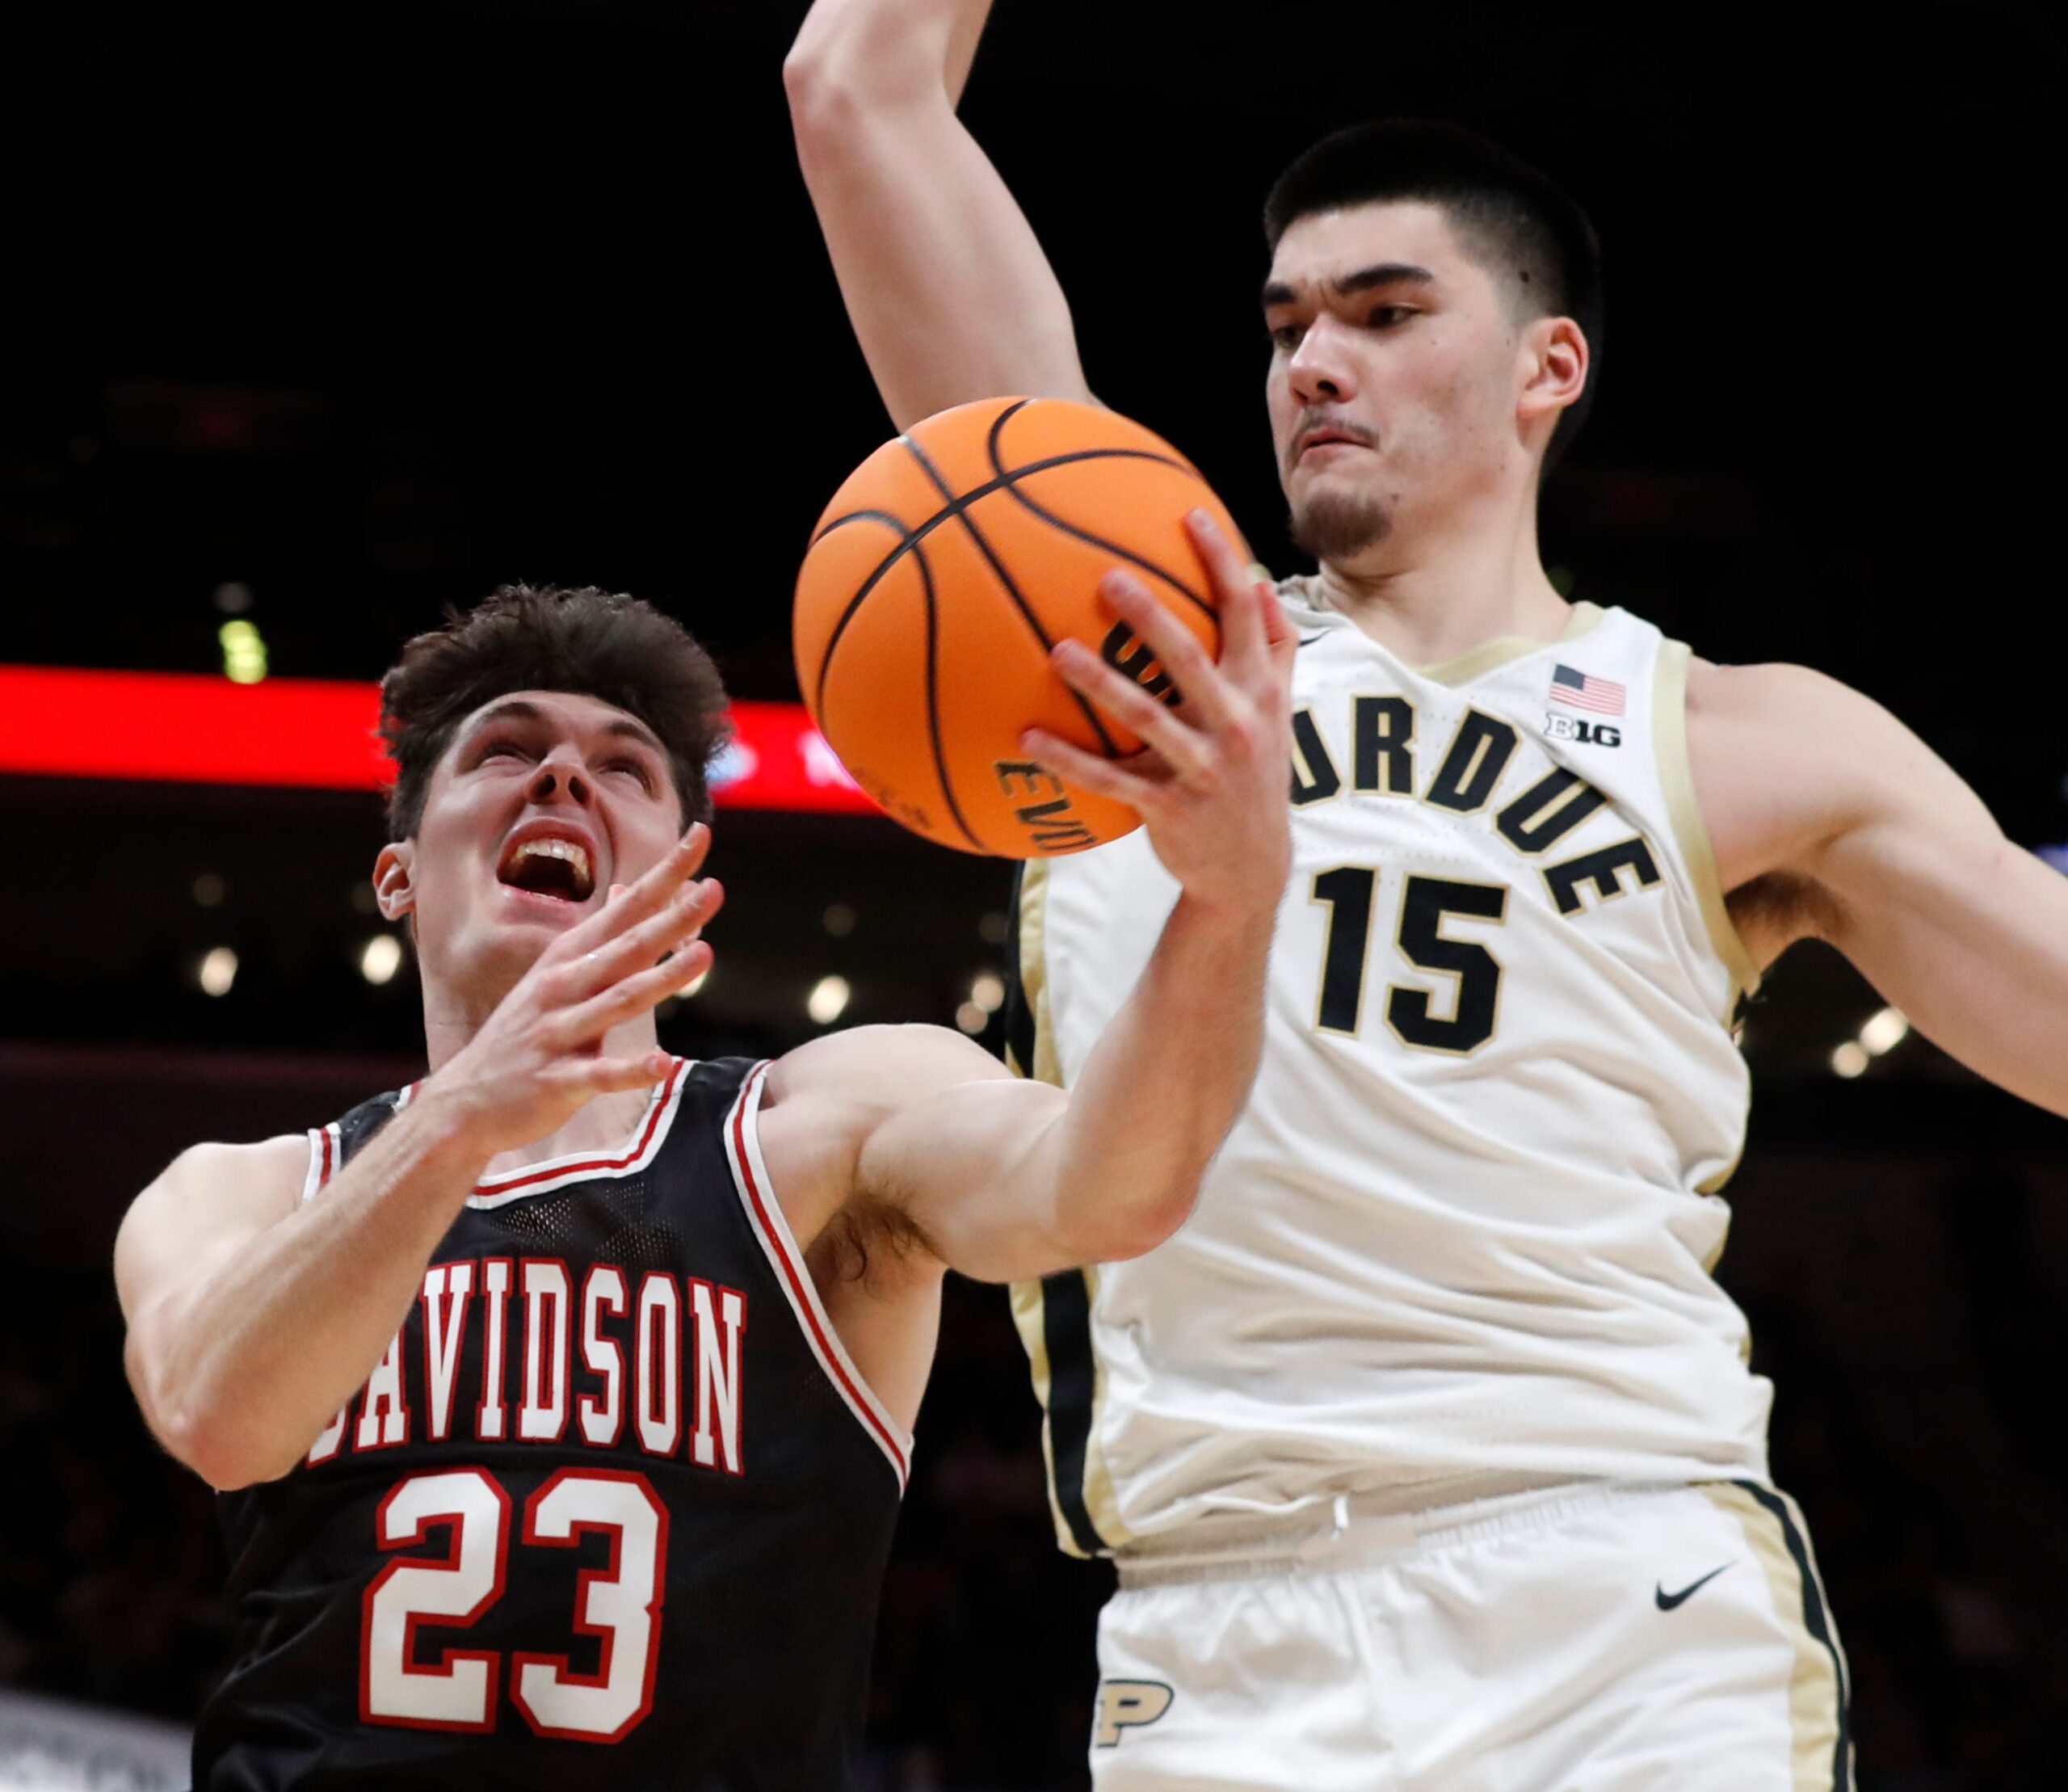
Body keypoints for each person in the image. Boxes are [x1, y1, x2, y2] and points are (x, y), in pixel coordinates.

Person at [784, 7, 2068, 1788]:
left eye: (1383, 314)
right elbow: (854, 87)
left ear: (1546, 367)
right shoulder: (1109, 636)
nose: (1313, 360)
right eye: (1285, 324)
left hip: (1623, 1583)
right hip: (1221, 1614)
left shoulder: (1742, 737)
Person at [114, 578, 1291, 1790]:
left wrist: (1227, 895)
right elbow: (217, 1414)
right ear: (401, 872)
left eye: (624, 768)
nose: (564, 778)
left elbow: (1114, 1185)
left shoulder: (815, 1133)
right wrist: (465, 1115)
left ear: (681, 884)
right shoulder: (244, 1192)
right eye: (507, 748)